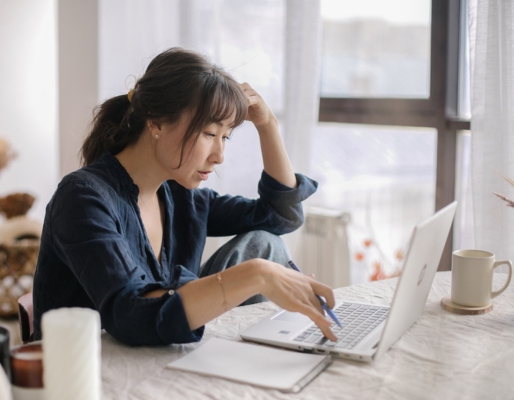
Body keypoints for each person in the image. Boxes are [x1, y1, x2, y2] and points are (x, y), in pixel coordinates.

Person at [32, 47, 337, 345]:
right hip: (92, 368)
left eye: (226, 137)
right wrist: (258, 274)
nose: (219, 156)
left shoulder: (180, 195)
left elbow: (280, 215)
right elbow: (129, 313)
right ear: (156, 123)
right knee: (260, 263)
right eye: (209, 133)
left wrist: (268, 125)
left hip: (166, 350)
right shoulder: (82, 197)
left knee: (265, 243)